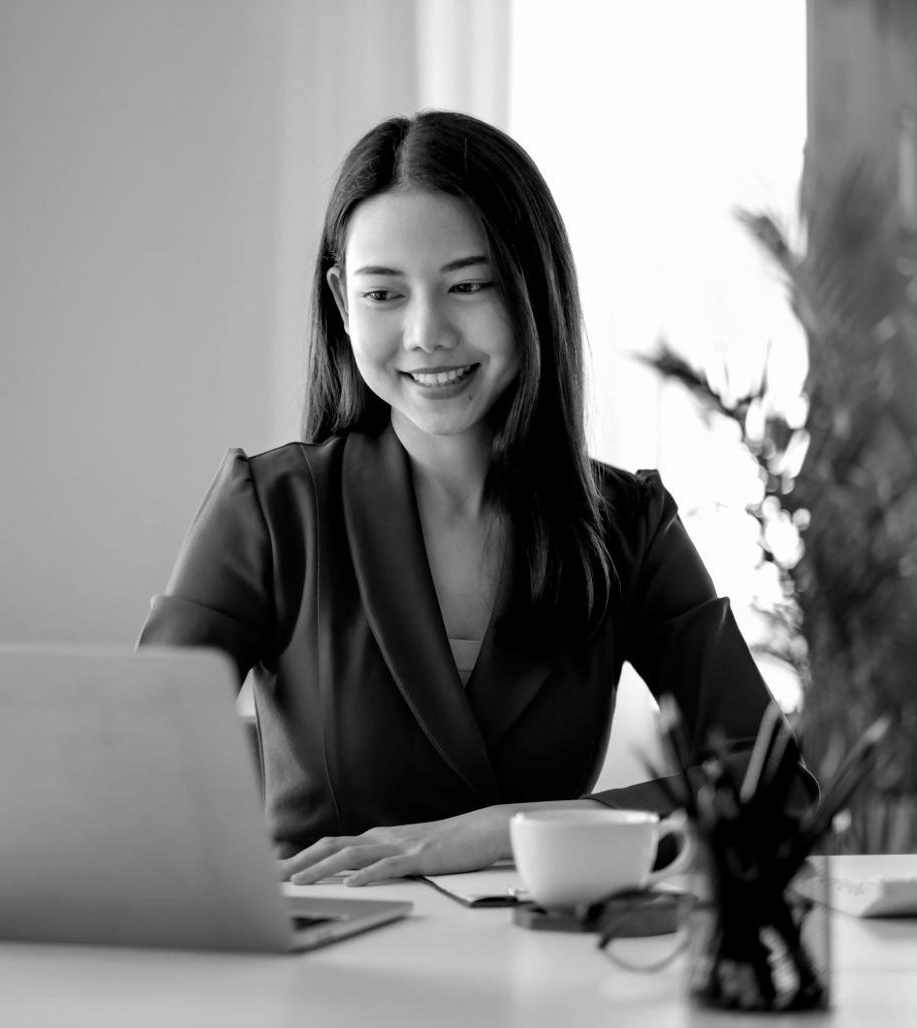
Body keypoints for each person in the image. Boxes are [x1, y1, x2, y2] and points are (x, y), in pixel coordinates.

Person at [136, 110, 804, 887]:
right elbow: (129, 762)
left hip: (544, 950)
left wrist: (504, 831)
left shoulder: (626, 524)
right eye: (383, 293)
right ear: (341, 303)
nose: (426, 332)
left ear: (531, 288)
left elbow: (773, 783)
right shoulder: (270, 509)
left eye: (468, 285)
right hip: (327, 948)